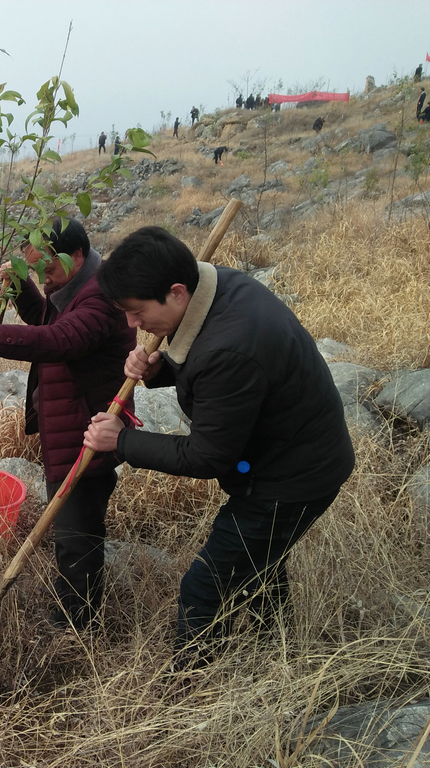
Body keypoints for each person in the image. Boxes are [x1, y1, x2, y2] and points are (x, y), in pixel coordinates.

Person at [83, 226, 355, 670]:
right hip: (285, 453)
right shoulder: (213, 286)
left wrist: (123, 441)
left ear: (175, 292)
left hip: (292, 477)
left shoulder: (232, 345)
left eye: (136, 312)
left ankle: (191, 690)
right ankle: (276, 655)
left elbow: (207, 455)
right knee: (257, 566)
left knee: (204, 587)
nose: (132, 325)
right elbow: (204, 366)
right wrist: (157, 368)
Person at [0, 218, 136, 630]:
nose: (43, 278)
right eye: (34, 270)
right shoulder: (75, 285)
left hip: (87, 431)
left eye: (47, 270)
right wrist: (22, 290)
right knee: (71, 523)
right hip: (69, 425)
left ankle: (76, 624)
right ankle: (73, 602)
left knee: (77, 529)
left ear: (76, 256)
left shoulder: (101, 296)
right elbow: (50, 320)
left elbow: (64, 339)